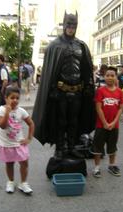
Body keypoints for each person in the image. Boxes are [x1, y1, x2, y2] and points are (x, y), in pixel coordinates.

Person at [32, 11, 95, 159]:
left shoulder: (81, 45)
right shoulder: (55, 45)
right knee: (61, 121)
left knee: (74, 120)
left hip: (78, 91)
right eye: (69, 24)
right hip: (60, 91)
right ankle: (60, 148)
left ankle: (72, 147)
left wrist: (88, 86)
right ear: (64, 24)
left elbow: (86, 69)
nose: (71, 28)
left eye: (74, 25)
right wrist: (52, 88)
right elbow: (50, 71)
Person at [0, 86, 35, 194]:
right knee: (9, 163)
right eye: (12, 98)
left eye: (17, 98)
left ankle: (23, 183)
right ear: (6, 98)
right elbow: (2, 126)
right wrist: (7, 113)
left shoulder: (21, 111)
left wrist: (29, 138)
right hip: (6, 144)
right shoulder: (0, 110)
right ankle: (11, 182)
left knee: (24, 163)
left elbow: (31, 124)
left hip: (19, 143)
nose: (15, 100)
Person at [91, 66, 123, 178]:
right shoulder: (100, 91)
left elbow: (120, 108)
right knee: (98, 147)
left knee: (112, 147)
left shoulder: (120, 92)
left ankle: (112, 165)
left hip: (114, 126)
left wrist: (114, 122)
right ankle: (96, 167)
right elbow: (98, 108)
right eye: (107, 75)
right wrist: (105, 123)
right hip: (101, 125)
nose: (110, 77)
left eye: (112, 75)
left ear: (116, 77)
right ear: (104, 77)